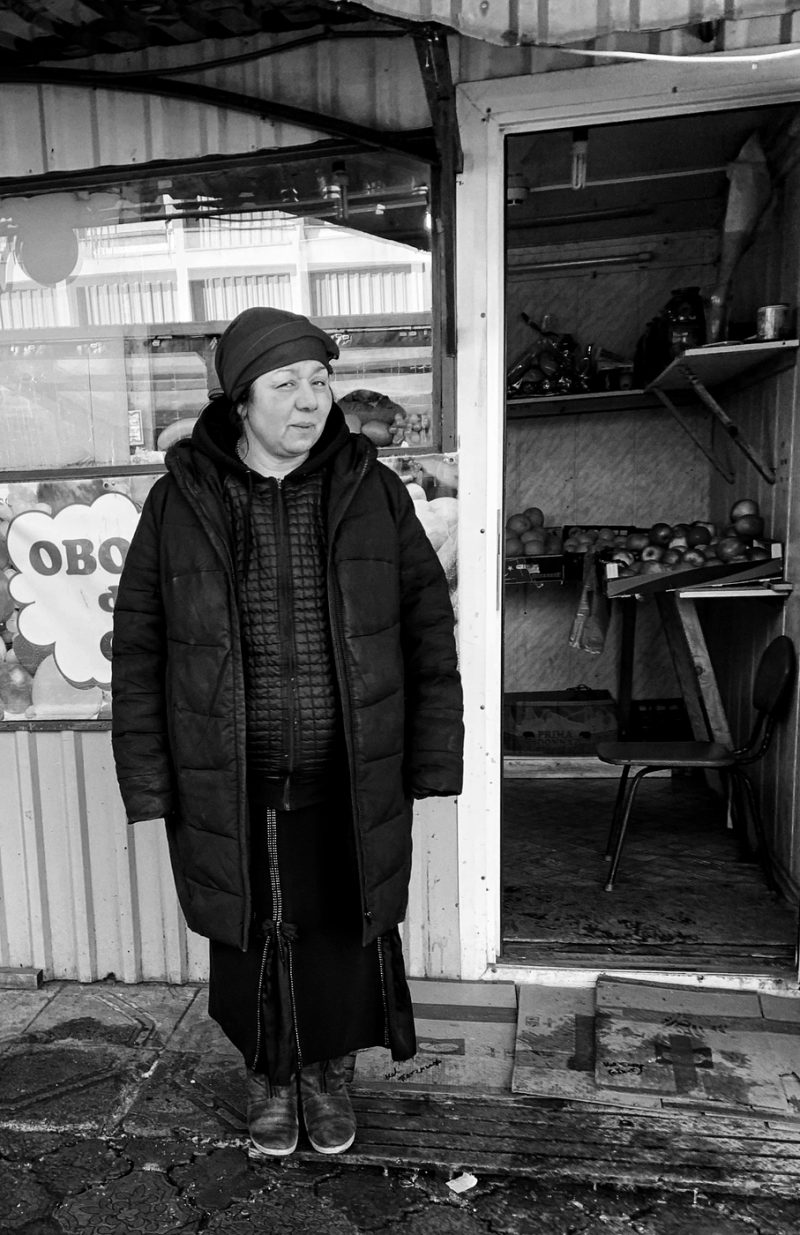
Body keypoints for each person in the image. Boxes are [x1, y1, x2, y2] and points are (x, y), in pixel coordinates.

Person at [111, 306, 464, 1158]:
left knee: (344, 925)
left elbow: (427, 625)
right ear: (241, 398)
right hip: (232, 770)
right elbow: (141, 646)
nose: (310, 399)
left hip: (351, 767)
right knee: (255, 932)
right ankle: (270, 1073)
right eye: (285, 383)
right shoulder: (180, 499)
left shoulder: (371, 489)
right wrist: (151, 778)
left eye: (319, 379)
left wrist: (432, 753)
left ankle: (328, 1072)